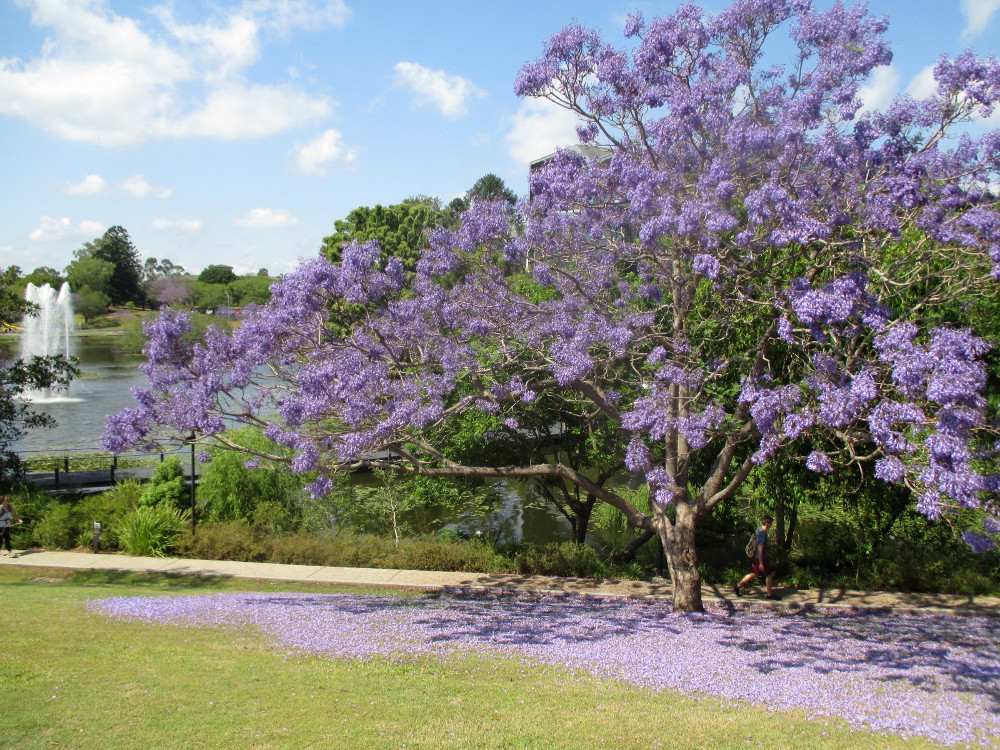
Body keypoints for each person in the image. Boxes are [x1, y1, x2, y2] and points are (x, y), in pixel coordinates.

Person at [734, 515, 779, 600]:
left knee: (755, 573)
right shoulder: (763, 533)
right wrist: (761, 562)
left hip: (756, 557)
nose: (771, 525)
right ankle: (770, 595)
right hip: (760, 558)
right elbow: (760, 547)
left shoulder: (759, 530)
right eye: (770, 523)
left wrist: (768, 555)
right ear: (766, 523)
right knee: (769, 574)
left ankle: (737, 585)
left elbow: (761, 546)